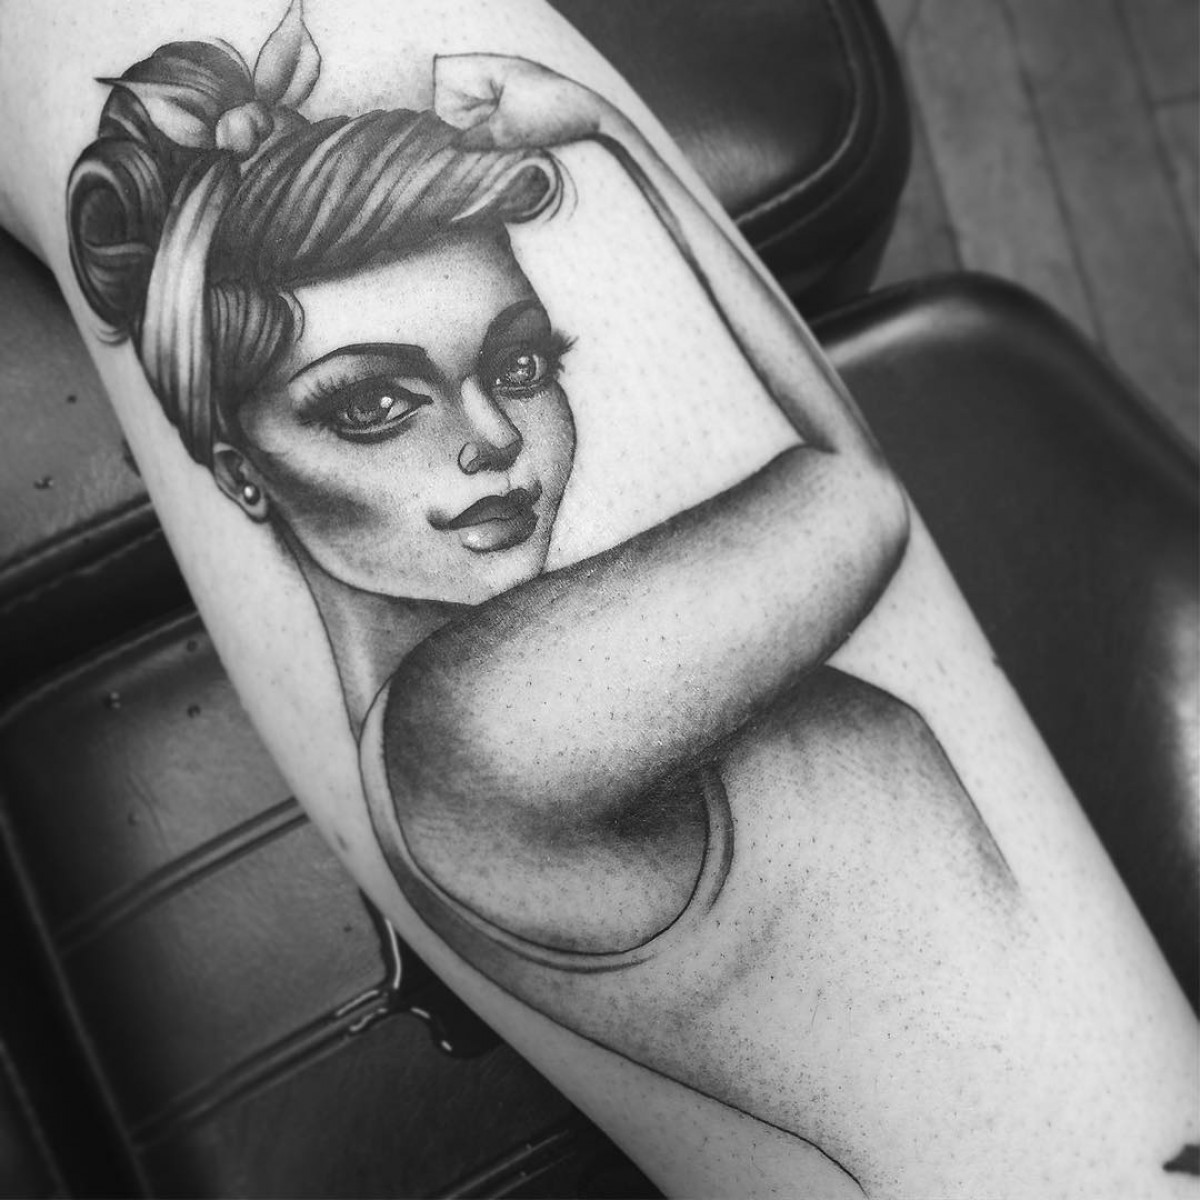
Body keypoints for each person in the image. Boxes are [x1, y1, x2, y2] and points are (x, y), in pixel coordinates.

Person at [4, 1, 1196, 1194]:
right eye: (372, 404)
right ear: (239, 471)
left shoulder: (465, 732)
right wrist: (605, 139)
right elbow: (853, 499)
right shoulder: (474, 730)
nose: (493, 438)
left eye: (519, 364)